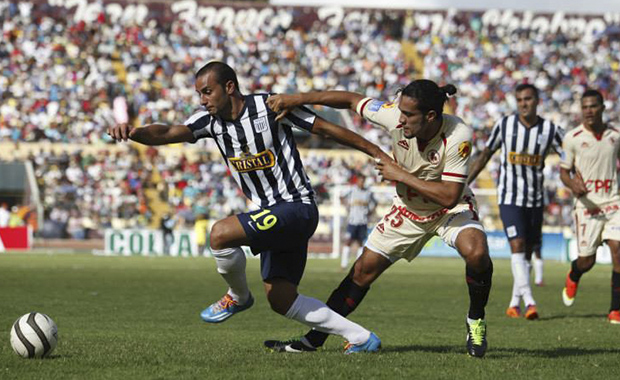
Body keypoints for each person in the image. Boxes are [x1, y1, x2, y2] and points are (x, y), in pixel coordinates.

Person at [107, 61, 392, 353]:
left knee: (220, 234)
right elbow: (166, 133)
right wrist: (133, 132)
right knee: (281, 299)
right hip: (273, 214)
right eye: (199, 94)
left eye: (207, 92)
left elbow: (327, 129)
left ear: (229, 87)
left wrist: (377, 152)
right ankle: (361, 338)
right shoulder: (209, 122)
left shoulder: (269, 107)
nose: (202, 100)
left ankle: (238, 296)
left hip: (297, 207)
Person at [265, 79, 494, 358]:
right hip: (407, 211)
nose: (401, 119)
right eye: (400, 111)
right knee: (361, 272)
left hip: (449, 210)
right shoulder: (395, 116)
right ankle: (313, 340)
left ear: (431, 116)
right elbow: (351, 99)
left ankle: (475, 319)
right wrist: (297, 99)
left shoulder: (458, 134)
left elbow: (449, 196)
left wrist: (401, 176)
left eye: (408, 115)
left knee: (478, 252)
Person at [467, 84, 564, 320]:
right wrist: (464, 183)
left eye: (528, 99)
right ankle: (530, 302)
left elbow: (569, 158)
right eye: (519, 99)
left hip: (535, 200)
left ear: (537, 100)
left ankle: (514, 303)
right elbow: (485, 155)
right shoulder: (505, 125)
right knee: (517, 246)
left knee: (527, 254)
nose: (523, 103)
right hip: (510, 198)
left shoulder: (551, 130)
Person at [559, 89, 620, 324]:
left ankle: (615, 309)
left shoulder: (614, 136)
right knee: (587, 261)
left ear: (603, 108)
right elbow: (564, 171)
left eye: (593, 106)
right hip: (587, 207)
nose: (589, 111)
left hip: (613, 203)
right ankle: (574, 274)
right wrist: (573, 184)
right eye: (585, 107)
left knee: (618, 250)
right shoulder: (573, 138)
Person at [340, 174, 375, 270]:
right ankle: (344, 265)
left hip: (363, 221)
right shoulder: (351, 190)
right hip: (352, 221)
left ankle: (358, 266)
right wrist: (346, 207)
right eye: (360, 180)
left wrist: (370, 212)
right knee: (348, 242)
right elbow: (341, 197)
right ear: (357, 181)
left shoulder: (368, 192)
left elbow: (375, 203)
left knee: (360, 243)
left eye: (363, 181)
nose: (362, 182)